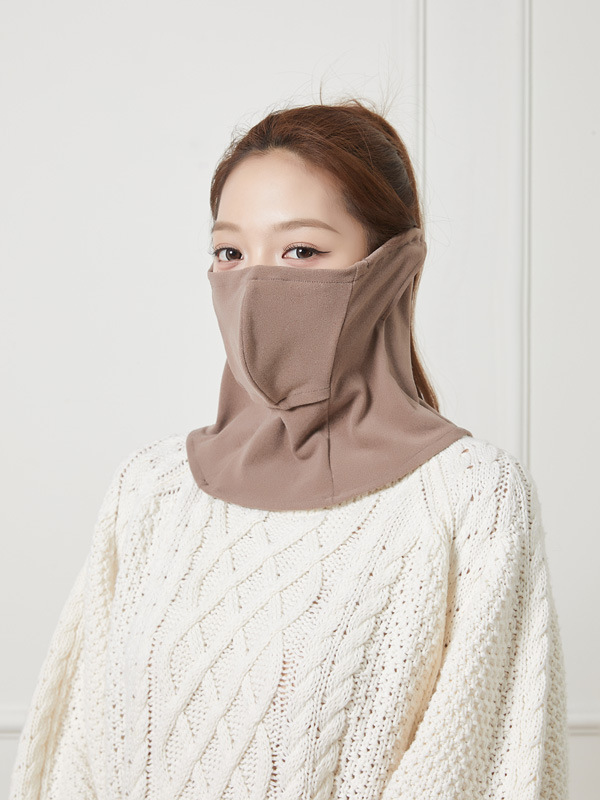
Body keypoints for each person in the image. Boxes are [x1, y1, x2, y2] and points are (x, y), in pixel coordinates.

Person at [9, 98, 568, 799]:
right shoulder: (149, 491)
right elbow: (76, 762)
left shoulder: (472, 500)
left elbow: (481, 774)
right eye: (230, 253)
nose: (253, 285)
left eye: (301, 251)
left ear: (393, 266)